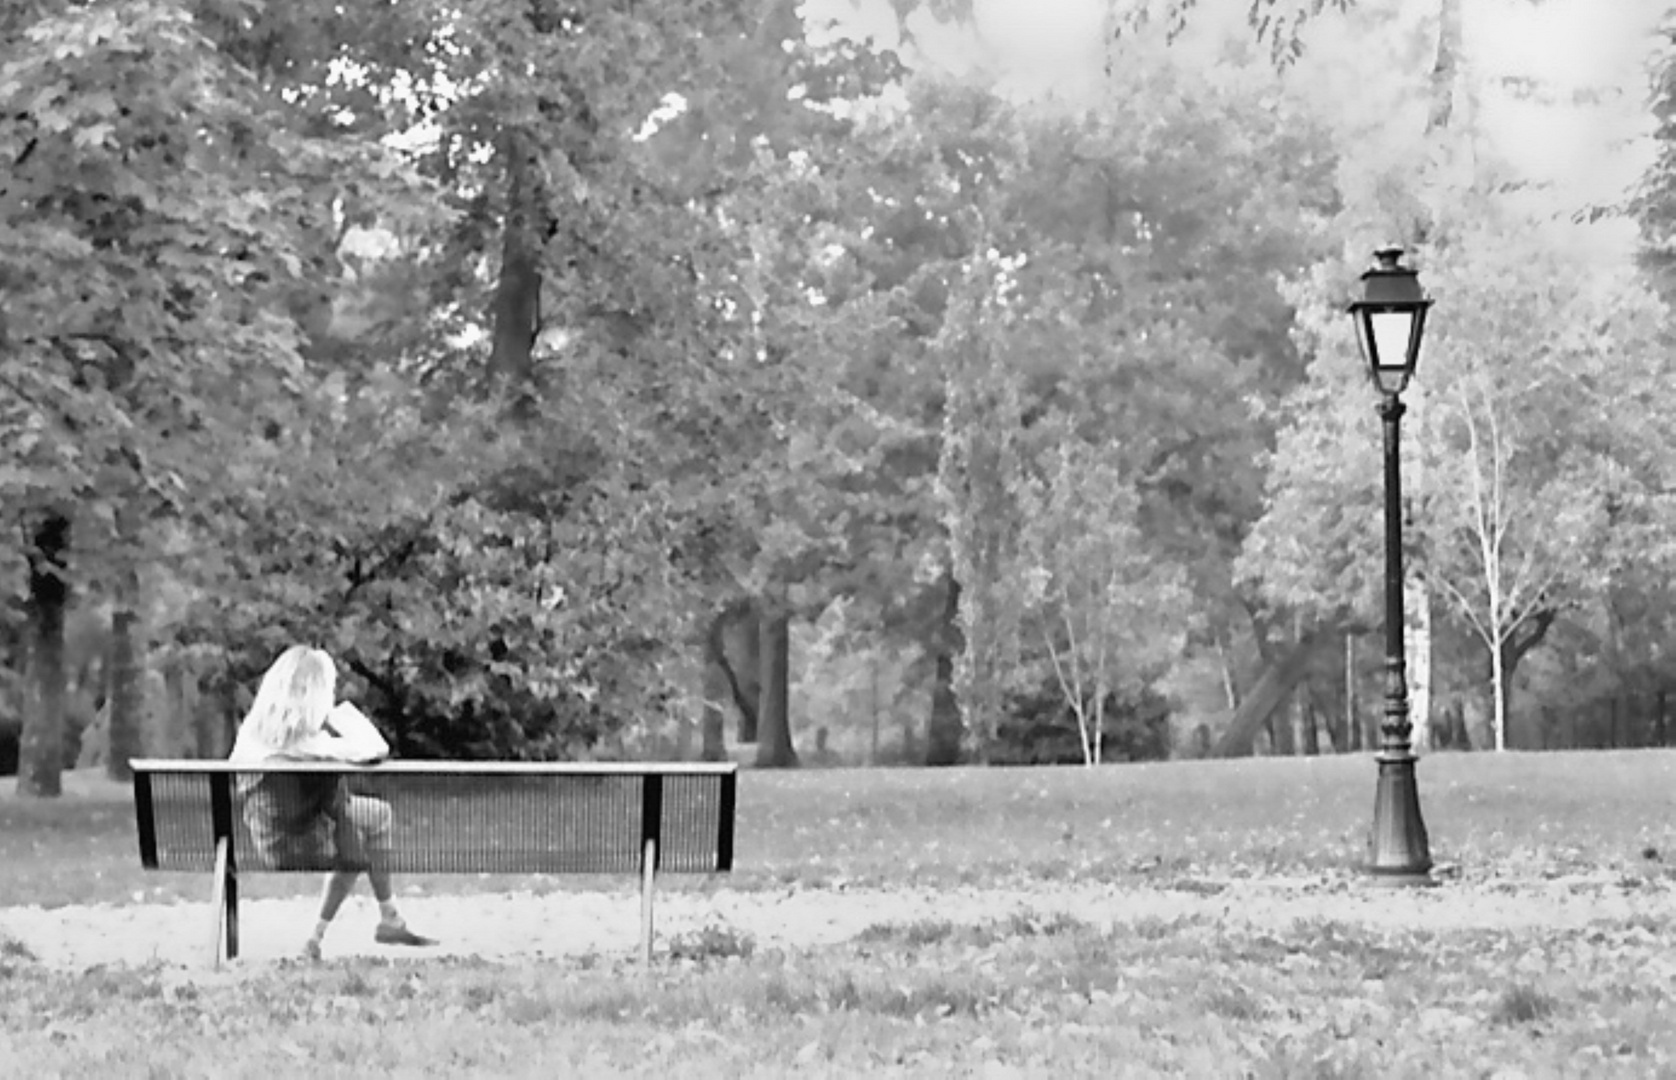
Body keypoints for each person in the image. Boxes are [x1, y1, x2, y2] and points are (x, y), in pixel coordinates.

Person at [229, 644, 435, 960]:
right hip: (302, 845)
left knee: (372, 816)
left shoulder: (251, 735)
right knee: (355, 839)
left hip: (266, 841)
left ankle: (388, 916)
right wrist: (342, 713)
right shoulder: (311, 744)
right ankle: (322, 934)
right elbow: (376, 748)